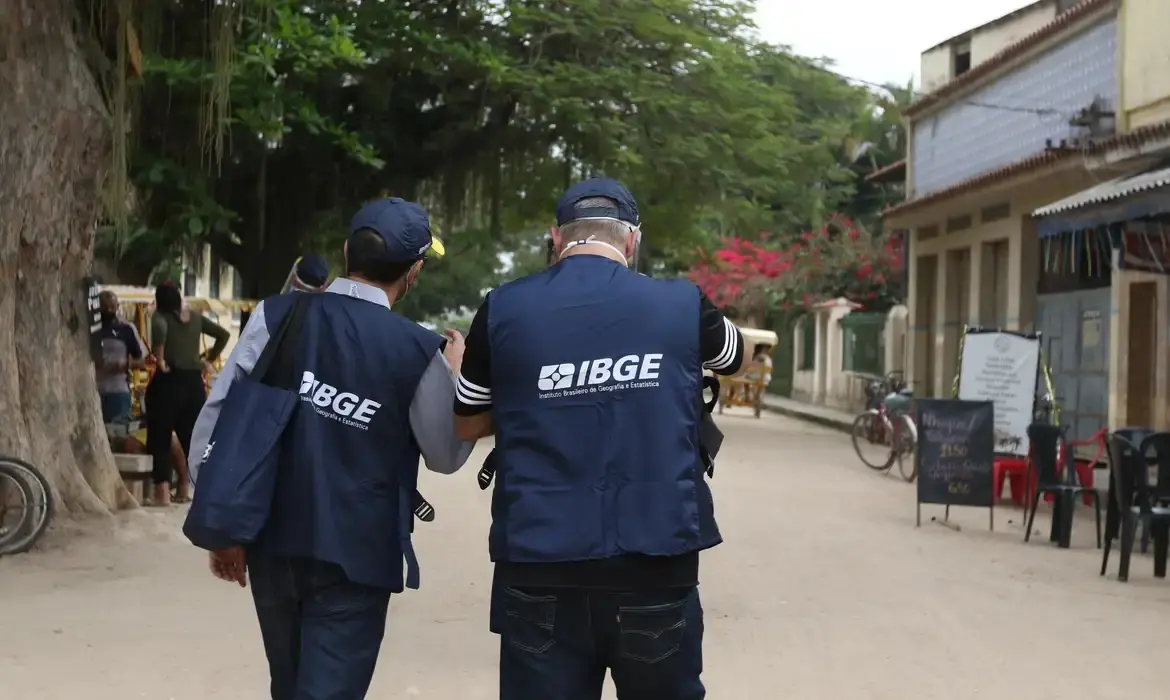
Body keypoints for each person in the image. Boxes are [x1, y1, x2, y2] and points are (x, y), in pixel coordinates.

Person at [454, 178, 748, 700]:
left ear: (556, 238)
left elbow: (466, 424)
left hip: (539, 564)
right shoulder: (681, 303)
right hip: (656, 565)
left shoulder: (502, 308)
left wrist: (536, 394)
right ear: (632, 240)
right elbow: (736, 357)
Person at [188, 197, 474, 700]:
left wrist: (222, 525)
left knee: (289, 685)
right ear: (414, 271)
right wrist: (454, 375)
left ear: (346, 251)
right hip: (357, 556)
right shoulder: (417, 350)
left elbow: (217, 418)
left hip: (272, 542)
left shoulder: (276, 315)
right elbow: (445, 455)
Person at [146, 283, 229, 506]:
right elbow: (223, 335)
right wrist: (207, 359)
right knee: (194, 439)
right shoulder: (195, 317)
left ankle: (162, 495)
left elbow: (160, 330)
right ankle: (202, 490)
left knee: (160, 437)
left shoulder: (160, 316)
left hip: (168, 381)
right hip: (194, 384)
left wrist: (160, 360)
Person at [96, 291, 146, 425]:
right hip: (93, 391)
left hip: (118, 392)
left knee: (119, 432)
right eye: (104, 306)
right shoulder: (90, 330)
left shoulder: (127, 328)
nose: (108, 310)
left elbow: (142, 361)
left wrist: (126, 364)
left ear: (118, 306)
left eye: (112, 306)